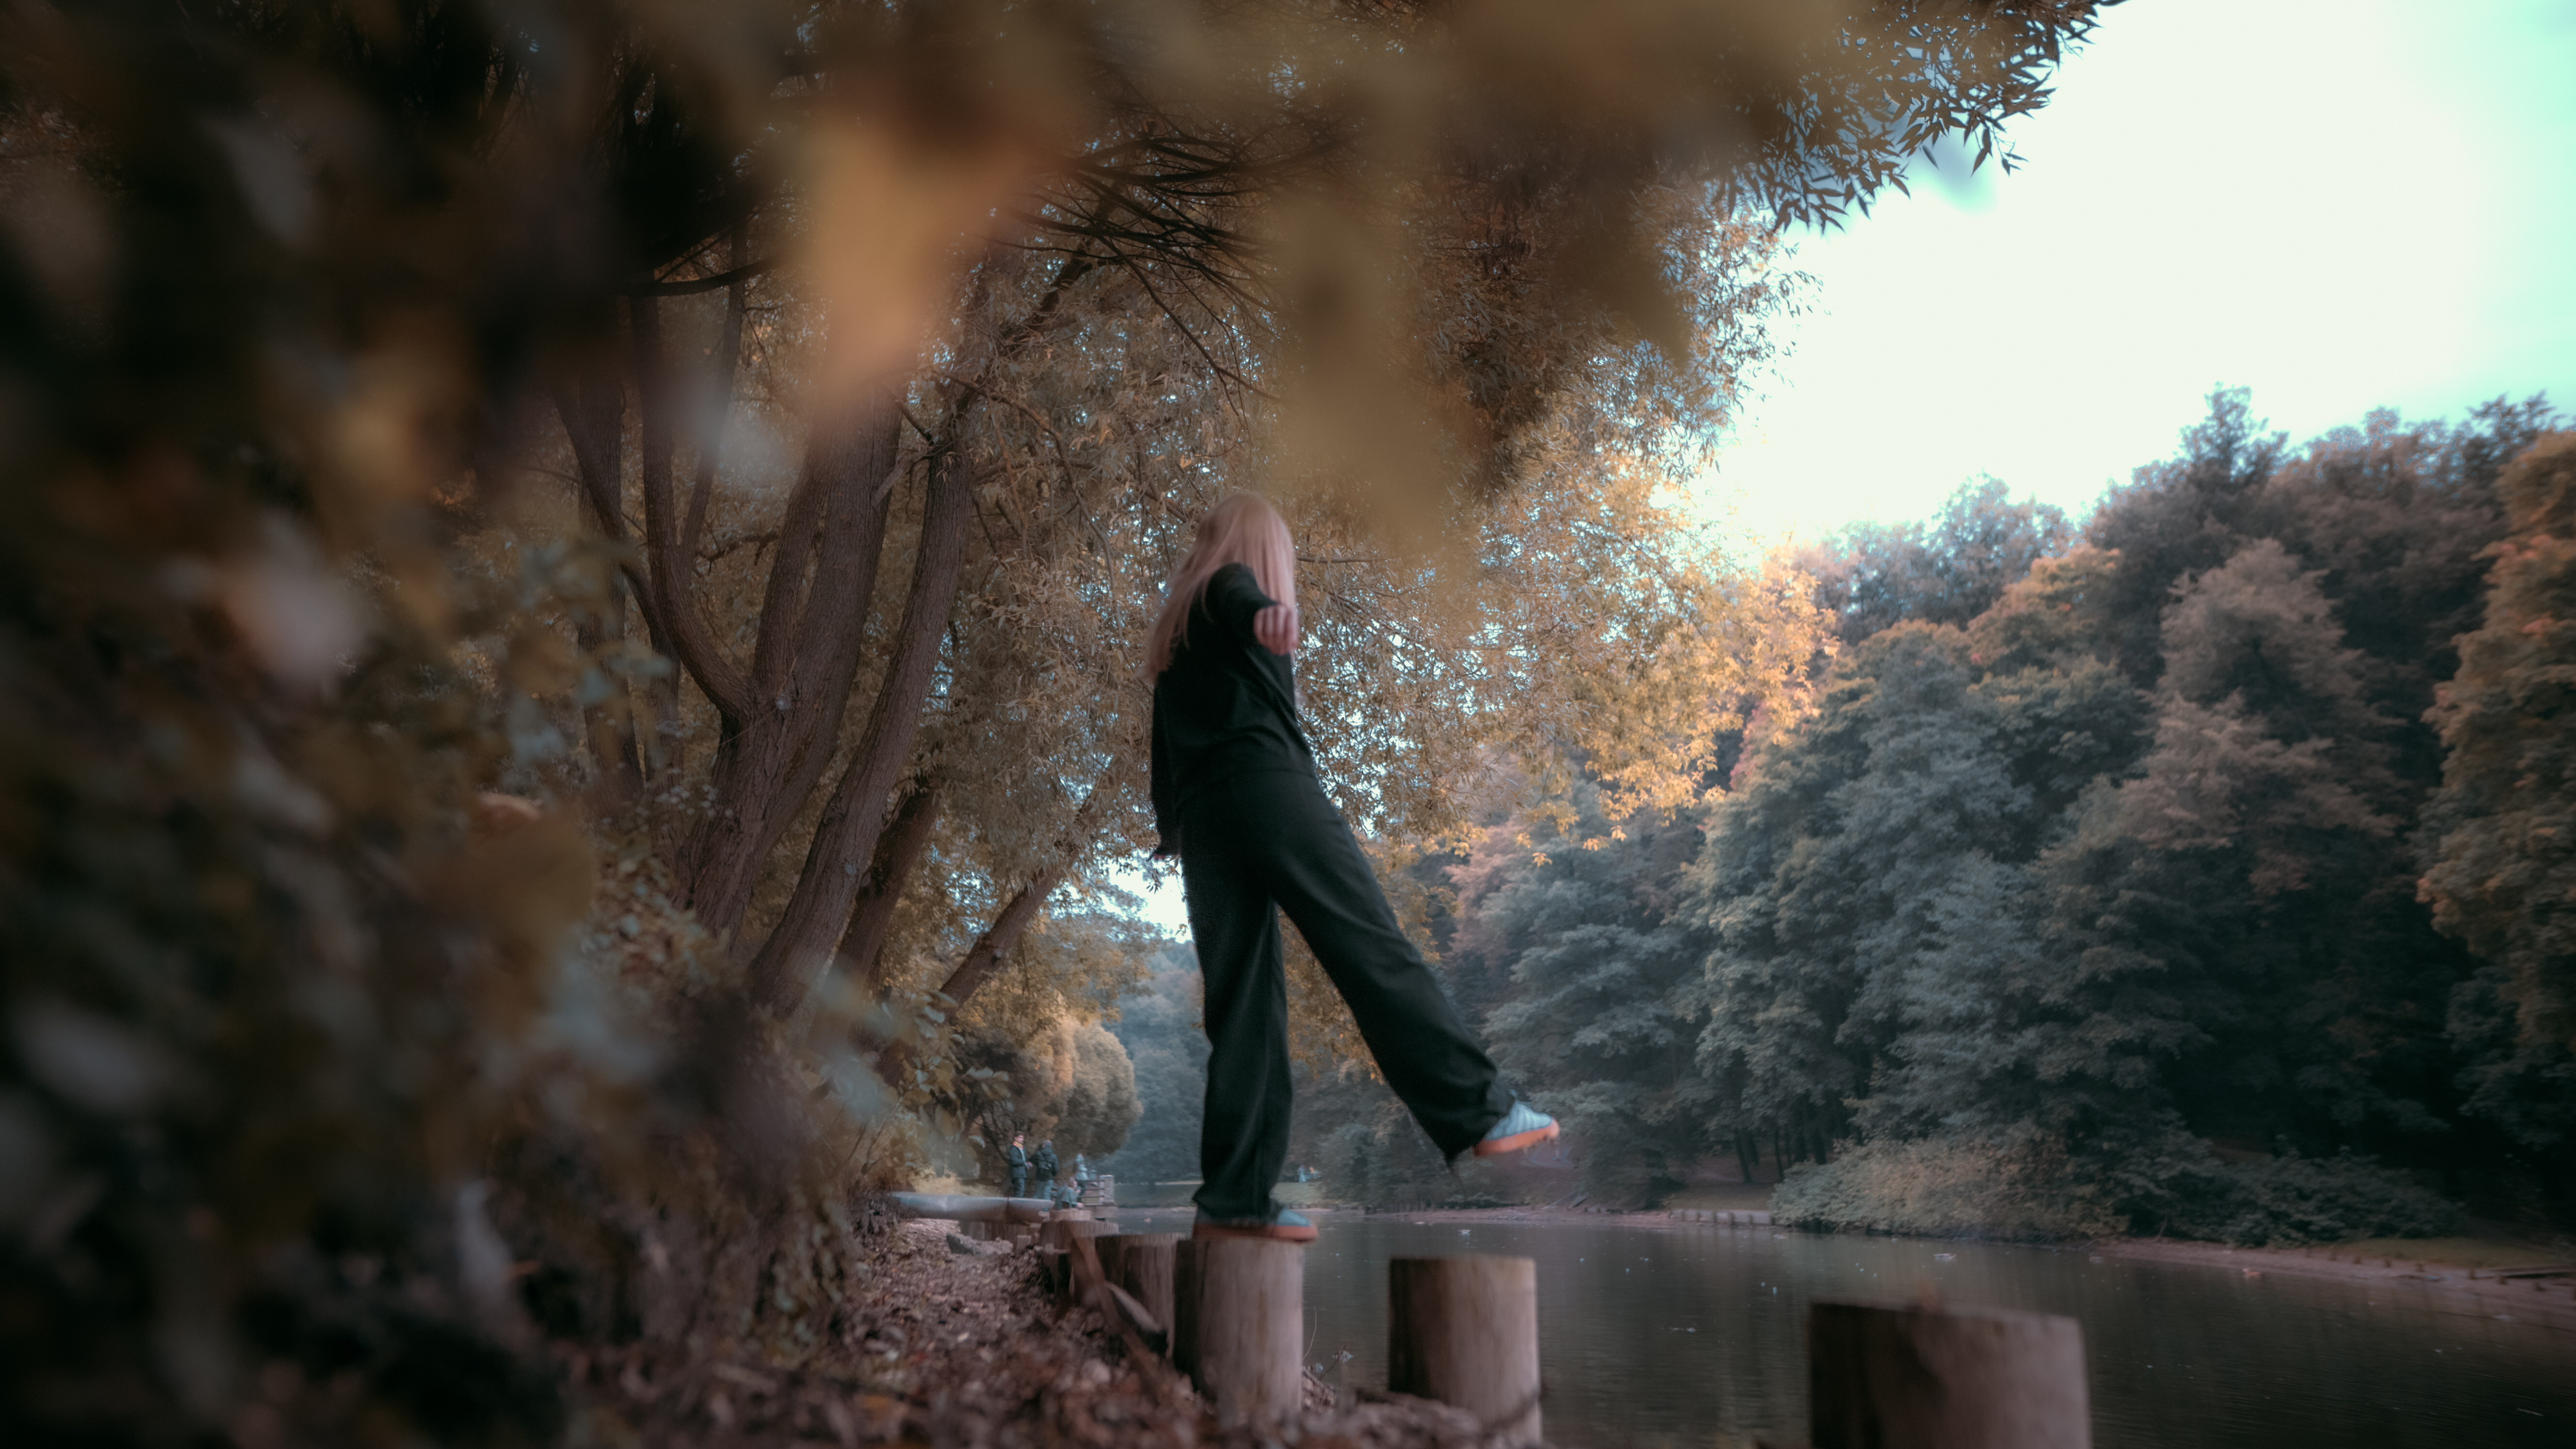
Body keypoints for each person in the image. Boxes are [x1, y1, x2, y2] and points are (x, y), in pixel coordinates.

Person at [1147, 494, 1556, 1244]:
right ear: (1260, 552)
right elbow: (1247, 600)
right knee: (1370, 944)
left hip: (1207, 823)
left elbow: (1164, 759)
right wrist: (1268, 614)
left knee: (1242, 1008)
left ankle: (1234, 1199)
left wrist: (1176, 830)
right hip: (1267, 787)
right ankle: (1483, 1110)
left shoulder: (1177, 632)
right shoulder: (1231, 589)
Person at [1033, 1138, 1059, 1205]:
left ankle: (1032, 1210)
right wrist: (1052, 1175)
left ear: (1044, 1145)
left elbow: (1034, 1162)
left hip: (1040, 1177)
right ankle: (1045, 1212)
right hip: (1049, 1178)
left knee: (1037, 1194)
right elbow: (1056, 1169)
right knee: (1047, 1196)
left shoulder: (1038, 1154)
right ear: (1051, 1146)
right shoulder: (1054, 1156)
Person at [1006, 1133, 1029, 1200]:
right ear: (1016, 1138)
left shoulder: (1023, 1148)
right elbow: (1014, 1161)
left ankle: (1016, 1206)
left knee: (1020, 1191)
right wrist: (1024, 1162)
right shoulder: (1014, 1148)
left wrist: (1027, 1163)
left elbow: (1024, 1160)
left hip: (1022, 1172)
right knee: (1020, 1190)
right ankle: (1016, 1206)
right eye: (1020, 1138)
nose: (1022, 1139)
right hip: (1017, 1173)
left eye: (1023, 1138)